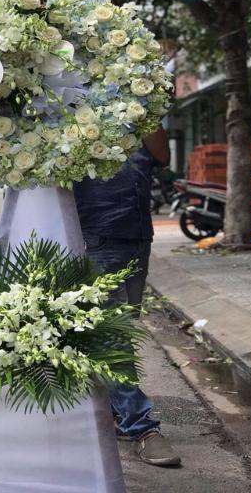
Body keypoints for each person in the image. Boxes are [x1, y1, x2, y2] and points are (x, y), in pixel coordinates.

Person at [73, 126, 181, 467]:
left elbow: (162, 155)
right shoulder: (73, 108)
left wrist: (145, 109)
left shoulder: (138, 109)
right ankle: (143, 428)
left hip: (138, 235)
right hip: (97, 237)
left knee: (123, 332)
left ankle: (115, 413)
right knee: (113, 340)